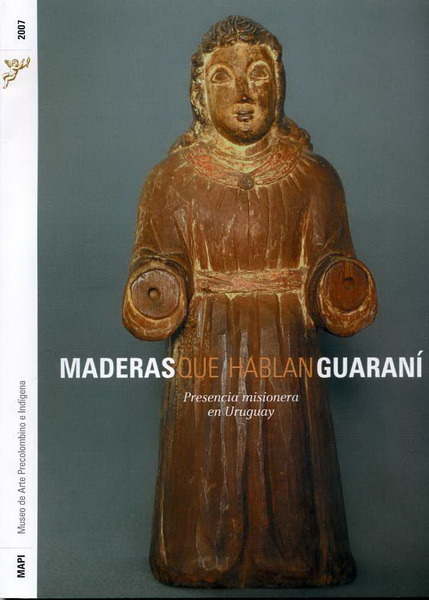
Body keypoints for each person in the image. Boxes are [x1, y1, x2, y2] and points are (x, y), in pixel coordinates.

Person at [122, 15, 377, 588]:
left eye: (258, 73)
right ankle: (193, 555)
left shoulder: (315, 179)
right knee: (206, 463)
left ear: (279, 85)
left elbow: (332, 264)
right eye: (223, 76)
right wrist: (158, 286)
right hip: (206, 351)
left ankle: (301, 555)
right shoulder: (170, 181)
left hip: (286, 350)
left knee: (290, 458)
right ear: (198, 92)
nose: (243, 91)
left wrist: (338, 285)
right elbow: (155, 267)